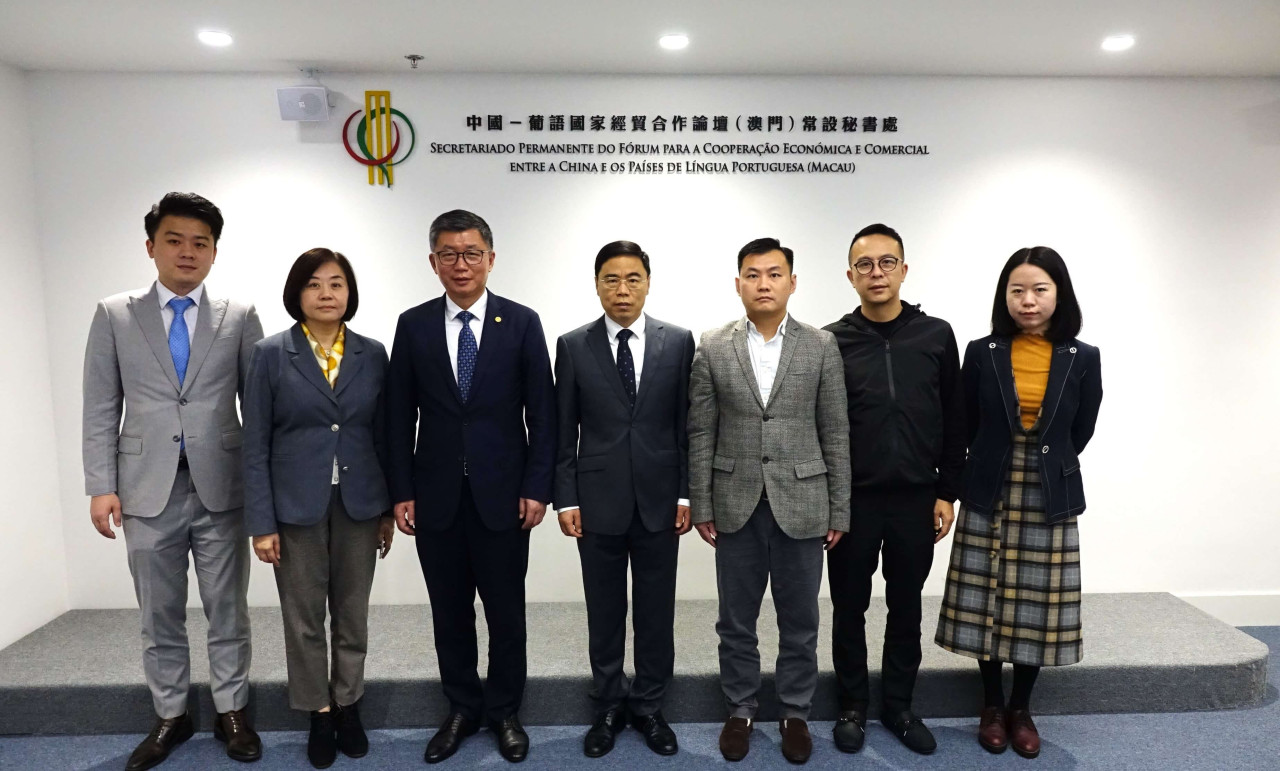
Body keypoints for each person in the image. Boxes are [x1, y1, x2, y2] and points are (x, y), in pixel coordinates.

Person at [82, 192, 264, 770]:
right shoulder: (115, 314)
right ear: (151, 247)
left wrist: (263, 489)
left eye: (200, 243)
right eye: (175, 240)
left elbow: (258, 408)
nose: (188, 252)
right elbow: (100, 405)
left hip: (223, 487)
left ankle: (232, 710)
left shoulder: (239, 314)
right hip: (144, 489)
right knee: (158, 614)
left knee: (227, 608)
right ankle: (171, 714)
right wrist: (100, 484)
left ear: (214, 252)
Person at [386, 209, 556, 764]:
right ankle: (461, 707)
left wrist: (537, 487)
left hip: (504, 497)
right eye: (449, 255)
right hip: (435, 496)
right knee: (449, 612)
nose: (461, 264)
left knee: (506, 613)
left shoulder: (522, 322)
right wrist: (401, 490)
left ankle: (505, 710)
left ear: (491, 258)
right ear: (433, 261)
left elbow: (543, 415)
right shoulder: (413, 325)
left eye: (471, 253)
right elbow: (397, 417)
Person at [688, 237, 851, 765]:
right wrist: (702, 504)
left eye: (775, 274)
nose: (764, 284)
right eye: (753, 275)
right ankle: (740, 709)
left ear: (792, 282)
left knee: (800, 620)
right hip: (734, 501)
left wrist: (839, 508)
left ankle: (795, 713)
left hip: (804, 501)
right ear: (738, 283)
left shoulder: (821, 345)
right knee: (735, 620)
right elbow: (701, 430)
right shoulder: (713, 345)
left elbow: (835, 430)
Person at [935, 246, 1103, 759]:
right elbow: (963, 420)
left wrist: (1045, 459)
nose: (1028, 300)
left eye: (1039, 290)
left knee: (1037, 603)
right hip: (990, 484)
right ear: (1004, 296)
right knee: (986, 595)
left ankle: (1022, 708)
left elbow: (1082, 428)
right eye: (1017, 290)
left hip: (1050, 491)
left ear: (1059, 294)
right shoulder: (981, 352)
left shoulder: (1083, 357)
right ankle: (991, 705)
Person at [241, 248, 395, 768]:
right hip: (293, 506)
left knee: (352, 613)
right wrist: (261, 523)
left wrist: (386, 510)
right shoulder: (269, 353)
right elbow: (255, 443)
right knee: (304, 616)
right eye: (314, 284)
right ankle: (319, 711)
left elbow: (384, 435)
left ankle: (349, 703)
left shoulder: (373, 353)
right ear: (297, 293)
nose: (326, 294)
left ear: (350, 292)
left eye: (336, 283)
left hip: (359, 502)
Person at [823, 224, 965, 755]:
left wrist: (947, 491)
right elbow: (820, 427)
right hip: (853, 502)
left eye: (887, 262)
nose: (876, 273)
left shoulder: (936, 335)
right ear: (850, 276)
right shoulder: (831, 341)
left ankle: (900, 707)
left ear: (904, 269)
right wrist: (829, 501)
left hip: (916, 499)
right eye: (865, 265)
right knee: (849, 608)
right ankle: (852, 706)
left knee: (906, 606)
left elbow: (955, 418)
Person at [553, 241, 695, 759]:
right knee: (605, 611)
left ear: (648, 283)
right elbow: (563, 429)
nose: (622, 289)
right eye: (611, 279)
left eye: (633, 278)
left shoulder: (678, 342)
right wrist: (565, 499)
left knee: (656, 612)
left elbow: (686, 425)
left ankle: (650, 705)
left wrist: (686, 492)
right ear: (597, 285)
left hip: (661, 498)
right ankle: (609, 704)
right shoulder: (573, 345)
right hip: (596, 501)